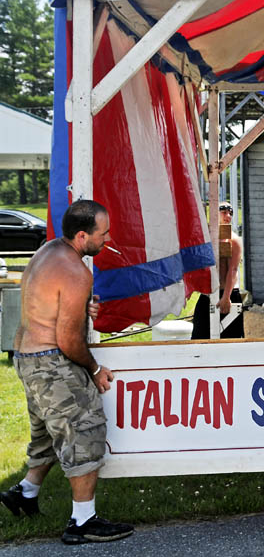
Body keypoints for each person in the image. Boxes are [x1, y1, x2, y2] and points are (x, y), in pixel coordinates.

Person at [0, 200, 134, 544]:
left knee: (46, 431)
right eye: (102, 234)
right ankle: (82, 521)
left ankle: (25, 493)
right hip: (51, 361)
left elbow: (50, 302)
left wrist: (80, 304)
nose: (107, 239)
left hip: (27, 358)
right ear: (81, 235)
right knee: (85, 430)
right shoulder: (76, 271)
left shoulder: (48, 252)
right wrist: (95, 368)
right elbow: (69, 340)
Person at [191, 201, 244, 339]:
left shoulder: (234, 240)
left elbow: (232, 270)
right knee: (199, 337)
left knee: (231, 339)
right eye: (224, 211)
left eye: (230, 213)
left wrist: (226, 297)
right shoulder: (207, 237)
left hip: (228, 293)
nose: (228, 216)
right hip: (209, 293)